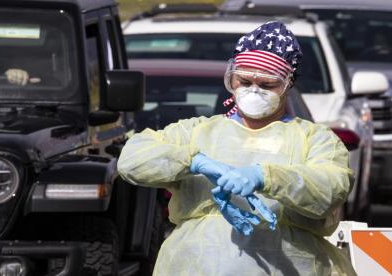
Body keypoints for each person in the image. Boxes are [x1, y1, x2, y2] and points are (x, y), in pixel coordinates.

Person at [117, 21, 356, 275]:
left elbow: (331, 187)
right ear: (231, 79)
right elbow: (131, 160)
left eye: (267, 85)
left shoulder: (315, 139)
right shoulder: (196, 132)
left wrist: (267, 177)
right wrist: (193, 161)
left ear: (288, 85)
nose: (254, 91)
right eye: (244, 81)